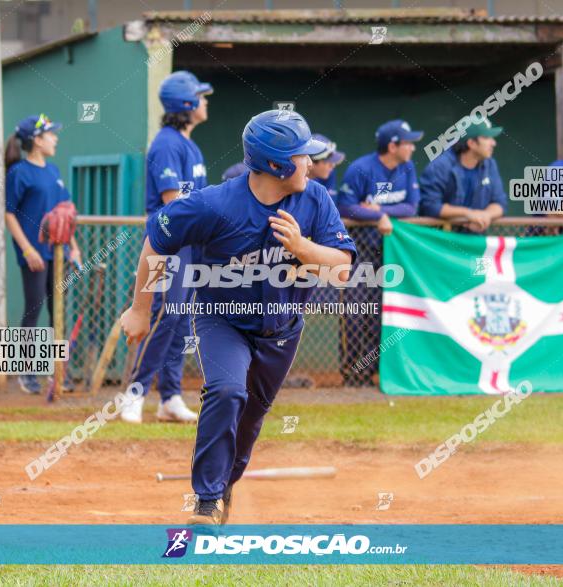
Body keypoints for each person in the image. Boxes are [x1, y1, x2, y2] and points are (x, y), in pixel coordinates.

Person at [120, 110, 356, 526]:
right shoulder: (215, 204)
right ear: (275, 165)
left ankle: (225, 483)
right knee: (228, 392)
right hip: (221, 319)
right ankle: (206, 500)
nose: (311, 164)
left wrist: (303, 248)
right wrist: (141, 309)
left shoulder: (315, 198)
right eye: (302, 156)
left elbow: (341, 268)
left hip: (281, 328)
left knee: (251, 416)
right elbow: (157, 242)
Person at [119, 71, 212, 425]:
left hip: (188, 244)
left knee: (181, 319)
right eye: (201, 97)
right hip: (166, 244)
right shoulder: (167, 144)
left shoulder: (189, 144)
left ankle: (169, 397)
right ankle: (134, 392)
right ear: (186, 105)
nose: (206, 102)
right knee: (164, 314)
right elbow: (174, 202)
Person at [336, 119, 422, 386]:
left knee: (379, 315)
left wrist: (378, 212)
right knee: (355, 312)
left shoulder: (407, 168)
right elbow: (346, 208)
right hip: (359, 250)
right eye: (408, 143)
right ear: (393, 146)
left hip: (390, 252)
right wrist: (375, 217)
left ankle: (372, 372)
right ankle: (352, 372)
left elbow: (412, 207)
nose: (413, 148)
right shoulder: (361, 169)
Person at [4, 114, 82, 394]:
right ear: (36, 141)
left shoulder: (53, 171)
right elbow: (9, 215)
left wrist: (73, 246)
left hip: (57, 254)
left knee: (57, 312)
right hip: (34, 255)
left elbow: (63, 214)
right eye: (50, 134)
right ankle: (27, 371)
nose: (55, 138)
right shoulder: (19, 172)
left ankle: (59, 371)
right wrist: (26, 249)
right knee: (34, 308)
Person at [418, 118, 507, 233]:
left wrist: (485, 215)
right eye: (486, 138)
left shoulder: (490, 164)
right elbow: (430, 206)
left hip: (473, 239)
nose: (493, 143)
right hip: (439, 241)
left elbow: (500, 202)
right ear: (471, 143)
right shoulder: (440, 166)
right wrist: (468, 214)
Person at [307, 133, 345, 201]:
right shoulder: (294, 182)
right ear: (311, 162)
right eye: (327, 161)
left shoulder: (330, 173)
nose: (333, 165)